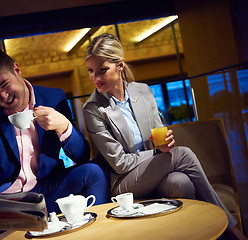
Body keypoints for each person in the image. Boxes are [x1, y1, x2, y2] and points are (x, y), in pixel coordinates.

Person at [82, 33, 246, 238]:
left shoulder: (143, 91)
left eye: (102, 70)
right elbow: (120, 164)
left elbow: (159, 134)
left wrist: (164, 145)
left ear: (120, 66)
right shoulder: (93, 109)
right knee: (183, 155)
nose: (95, 78)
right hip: (123, 182)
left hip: (155, 171)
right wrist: (159, 154)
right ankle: (230, 231)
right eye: (90, 71)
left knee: (181, 183)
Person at [0, 46, 109, 240]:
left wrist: (64, 126)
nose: (2, 98)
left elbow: (81, 155)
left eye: (4, 85)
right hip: (1, 200)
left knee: (95, 172)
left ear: (17, 70)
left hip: (44, 192)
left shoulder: (54, 97)